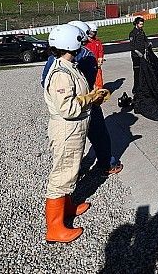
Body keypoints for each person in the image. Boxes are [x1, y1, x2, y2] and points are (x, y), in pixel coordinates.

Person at [42, 24, 109, 243]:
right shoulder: (61, 73)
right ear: (71, 44)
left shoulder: (69, 65)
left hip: (74, 128)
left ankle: (67, 207)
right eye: (79, 42)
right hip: (66, 129)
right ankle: (54, 229)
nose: (82, 45)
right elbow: (68, 108)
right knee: (61, 175)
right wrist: (92, 99)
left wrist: (92, 94)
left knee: (70, 171)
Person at [42, 20, 123, 177]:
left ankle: (73, 169)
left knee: (68, 144)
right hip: (85, 104)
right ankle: (107, 163)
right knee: (99, 135)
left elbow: (44, 81)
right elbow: (88, 81)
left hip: (62, 108)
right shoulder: (86, 55)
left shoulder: (54, 59)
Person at [129, 16, 152, 96]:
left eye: (142, 24)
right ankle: (135, 88)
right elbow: (132, 46)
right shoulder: (132, 33)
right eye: (140, 24)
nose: (142, 26)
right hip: (136, 56)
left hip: (142, 55)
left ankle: (143, 86)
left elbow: (145, 39)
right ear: (136, 24)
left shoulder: (141, 31)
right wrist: (138, 52)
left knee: (143, 71)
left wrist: (148, 43)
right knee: (137, 72)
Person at [84, 23, 105, 89]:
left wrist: (100, 58)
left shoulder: (97, 41)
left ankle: (99, 92)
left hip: (96, 64)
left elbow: (100, 51)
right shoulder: (85, 42)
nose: (94, 33)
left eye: (95, 32)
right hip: (86, 64)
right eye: (93, 32)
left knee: (99, 79)